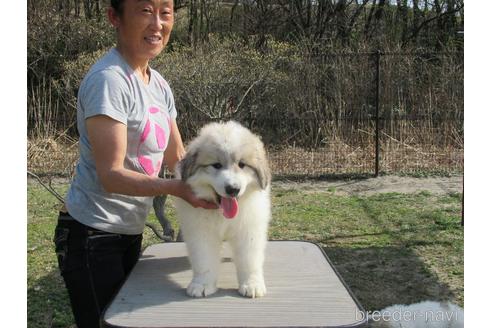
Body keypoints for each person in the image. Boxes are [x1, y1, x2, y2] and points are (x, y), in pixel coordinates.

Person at [53, 1, 217, 327]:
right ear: (115, 17)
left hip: (128, 231)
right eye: (145, 11)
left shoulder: (158, 85)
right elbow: (111, 175)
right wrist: (177, 189)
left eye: (165, 12)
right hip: (91, 235)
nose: (157, 24)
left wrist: (220, 178)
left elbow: (179, 159)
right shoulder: (109, 81)